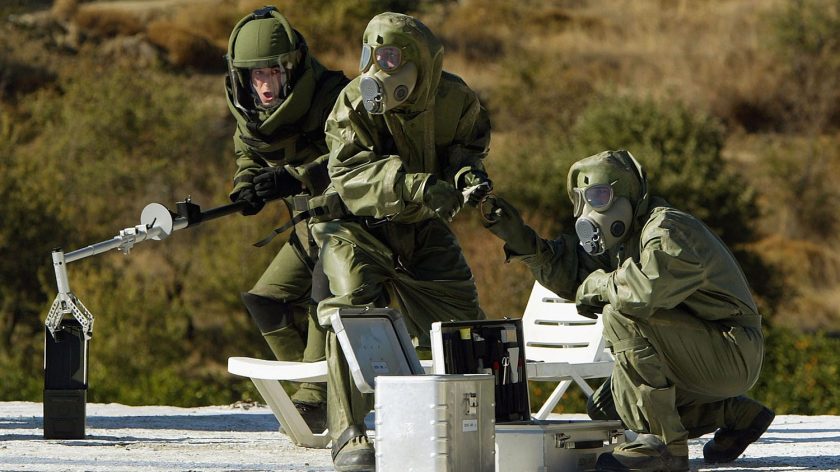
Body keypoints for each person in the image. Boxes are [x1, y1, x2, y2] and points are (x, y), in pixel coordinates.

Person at [482, 150, 774, 472]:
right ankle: (734, 413)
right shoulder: (624, 242)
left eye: (599, 196)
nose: (588, 210)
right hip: (703, 352)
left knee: (621, 316)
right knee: (608, 407)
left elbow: (643, 291)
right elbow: (573, 272)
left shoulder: (667, 229)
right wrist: (522, 241)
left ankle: (663, 447)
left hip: (733, 348)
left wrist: (598, 284)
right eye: (580, 200)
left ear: (630, 194)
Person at [311, 12, 493, 471]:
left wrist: (468, 176)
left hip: (420, 227)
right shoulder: (353, 102)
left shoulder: (455, 98)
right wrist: (412, 185)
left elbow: (467, 148)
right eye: (371, 54)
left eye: (389, 56)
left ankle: (485, 423)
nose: (377, 67)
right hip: (354, 227)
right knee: (351, 304)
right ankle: (348, 432)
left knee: (464, 319)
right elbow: (348, 174)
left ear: (421, 64)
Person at [224, 6, 349, 431]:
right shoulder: (251, 114)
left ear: (292, 68)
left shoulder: (334, 97)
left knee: (322, 290)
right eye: (255, 74)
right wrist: (247, 186)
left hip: (351, 223)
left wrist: (294, 177)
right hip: (307, 223)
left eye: (273, 72)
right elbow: (247, 152)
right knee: (264, 299)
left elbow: (353, 160)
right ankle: (321, 389)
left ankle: (315, 399)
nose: (264, 84)